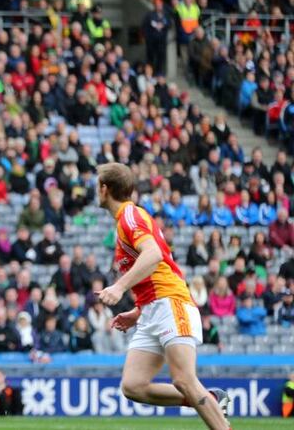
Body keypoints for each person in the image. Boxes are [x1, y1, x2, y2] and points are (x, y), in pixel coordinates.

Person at [94, 163, 230, 429]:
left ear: (104, 189)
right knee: (133, 386)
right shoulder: (125, 220)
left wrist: (119, 287)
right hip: (152, 308)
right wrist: (138, 311)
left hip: (171, 303)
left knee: (184, 379)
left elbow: (153, 255)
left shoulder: (129, 216)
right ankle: (209, 399)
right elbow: (150, 272)